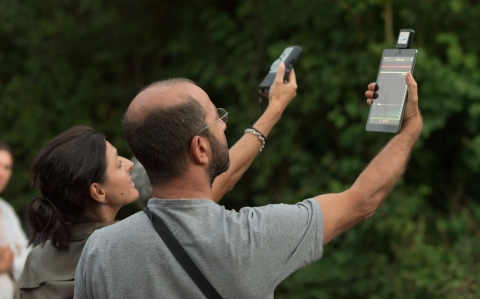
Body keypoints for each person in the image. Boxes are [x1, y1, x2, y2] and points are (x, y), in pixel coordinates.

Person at [74, 62, 422, 298]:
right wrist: (410, 128)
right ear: (200, 149)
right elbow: (362, 200)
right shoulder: (252, 238)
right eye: (217, 119)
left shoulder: (101, 251)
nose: (224, 125)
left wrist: (272, 112)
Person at [18, 72, 296, 298]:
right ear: (98, 192)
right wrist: (275, 109)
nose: (129, 163)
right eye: (117, 163)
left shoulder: (34, 263)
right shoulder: (117, 251)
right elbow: (224, 178)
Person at [0, 141, 30, 298]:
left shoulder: (7, 210)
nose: (2, 173)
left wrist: (10, 261)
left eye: (7, 167)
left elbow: (27, 256)